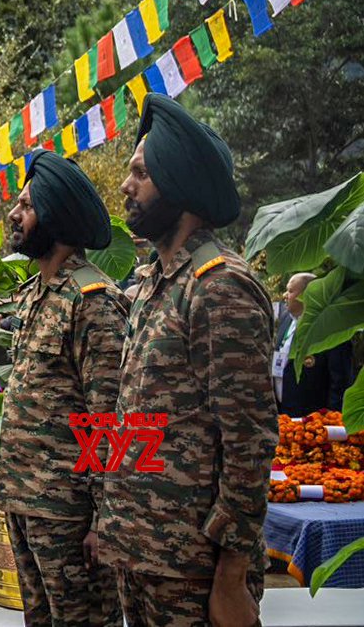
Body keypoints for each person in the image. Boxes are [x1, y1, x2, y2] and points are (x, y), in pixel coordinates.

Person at [91, 95, 275, 627]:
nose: (126, 186)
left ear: (180, 186)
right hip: (142, 557)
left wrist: (231, 575)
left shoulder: (219, 288)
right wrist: (111, 520)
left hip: (194, 569)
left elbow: (251, 440)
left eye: (141, 174)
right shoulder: (153, 284)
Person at [0, 151, 127, 627]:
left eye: (26, 206)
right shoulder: (36, 294)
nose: (14, 216)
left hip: (70, 514)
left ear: (56, 216)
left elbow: (112, 419)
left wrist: (106, 518)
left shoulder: (94, 303)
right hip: (25, 500)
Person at [275, 270, 356, 416]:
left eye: (290, 291)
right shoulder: (285, 319)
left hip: (314, 422)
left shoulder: (331, 331)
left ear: (307, 295)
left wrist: (331, 421)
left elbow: (340, 382)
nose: (284, 295)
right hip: (282, 415)